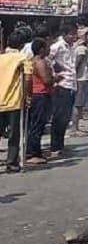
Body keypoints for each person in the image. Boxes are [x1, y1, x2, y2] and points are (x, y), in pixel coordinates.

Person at [47, 23, 79, 158]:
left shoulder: (72, 46)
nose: (74, 37)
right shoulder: (57, 46)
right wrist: (55, 71)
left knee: (65, 118)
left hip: (71, 83)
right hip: (61, 85)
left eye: (74, 34)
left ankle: (60, 146)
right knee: (59, 118)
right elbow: (46, 60)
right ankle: (54, 147)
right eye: (71, 34)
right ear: (64, 34)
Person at [22, 38, 54, 165]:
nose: (49, 49)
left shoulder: (35, 61)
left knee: (37, 125)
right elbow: (46, 80)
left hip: (39, 95)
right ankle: (32, 153)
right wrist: (55, 78)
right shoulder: (40, 62)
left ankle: (35, 151)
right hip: (40, 95)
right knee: (37, 125)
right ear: (41, 49)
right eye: (47, 47)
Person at [1, 32, 29, 173]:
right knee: (14, 134)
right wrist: (27, 96)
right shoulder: (23, 58)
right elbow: (27, 78)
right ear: (22, 45)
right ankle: (11, 162)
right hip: (14, 101)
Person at [72, 26, 88, 136]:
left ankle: (76, 126)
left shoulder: (78, 46)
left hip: (81, 78)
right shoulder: (82, 49)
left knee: (80, 104)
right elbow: (77, 64)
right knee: (78, 104)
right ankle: (74, 128)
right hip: (81, 78)